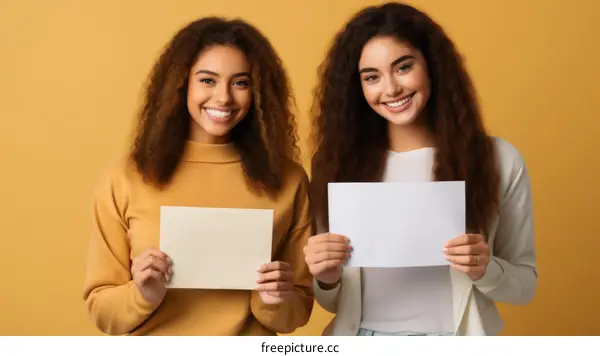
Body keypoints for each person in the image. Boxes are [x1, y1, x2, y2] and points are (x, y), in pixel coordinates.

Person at [303, 2, 537, 336]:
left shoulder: (498, 159)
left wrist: (485, 269)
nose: (391, 89)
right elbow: (333, 301)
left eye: (403, 67)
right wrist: (325, 278)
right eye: (372, 77)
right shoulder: (336, 163)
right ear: (357, 87)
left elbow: (525, 285)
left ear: (432, 66)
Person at [82, 17, 314, 336]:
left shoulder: (288, 180)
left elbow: (297, 312)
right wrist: (143, 294)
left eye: (241, 82)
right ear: (181, 83)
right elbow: (103, 311)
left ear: (258, 91)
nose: (223, 98)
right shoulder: (126, 177)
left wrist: (273, 299)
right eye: (207, 80)